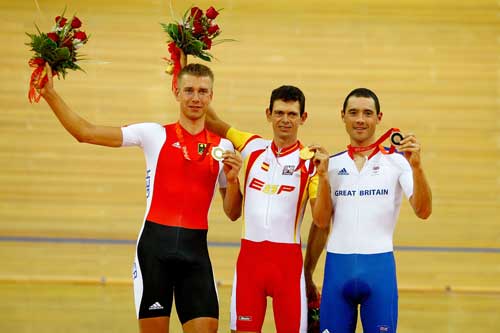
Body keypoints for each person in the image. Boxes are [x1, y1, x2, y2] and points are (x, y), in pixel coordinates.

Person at [37, 62, 243, 333]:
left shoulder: (223, 148)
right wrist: (50, 94)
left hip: (196, 255)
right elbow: (85, 132)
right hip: (154, 252)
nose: (196, 97)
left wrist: (232, 180)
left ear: (211, 96)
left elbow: (233, 212)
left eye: (203, 91)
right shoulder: (153, 134)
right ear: (176, 92)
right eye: (189, 90)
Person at [305, 87, 432, 333]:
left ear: (379, 118)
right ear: (342, 116)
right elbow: (320, 221)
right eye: (353, 113)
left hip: (379, 270)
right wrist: (322, 177)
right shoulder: (331, 165)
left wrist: (417, 167)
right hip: (336, 271)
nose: (360, 119)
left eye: (367, 113)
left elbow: (423, 210)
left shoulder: (398, 162)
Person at [205, 85, 322, 333]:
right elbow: (211, 120)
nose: (285, 120)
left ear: (303, 118)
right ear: (268, 114)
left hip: (288, 267)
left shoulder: (310, 162)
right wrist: (180, 68)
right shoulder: (252, 146)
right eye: (279, 113)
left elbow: (322, 220)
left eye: (292, 114)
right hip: (250, 264)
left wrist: (325, 178)